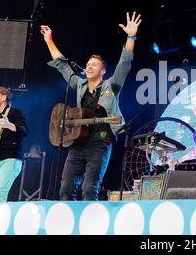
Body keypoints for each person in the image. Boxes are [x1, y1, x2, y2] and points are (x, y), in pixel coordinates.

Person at [40, 11, 142, 200]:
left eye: (94, 64)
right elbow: (62, 66)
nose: (89, 66)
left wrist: (131, 36)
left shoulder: (110, 86)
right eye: (88, 63)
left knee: (88, 188)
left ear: (102, 71)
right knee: (66, 189)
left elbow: (124, 64)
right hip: (78, 142)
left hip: (101, 143)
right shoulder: (79, 85)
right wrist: (49, 40)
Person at [0, 87, 28, 202]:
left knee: (0, 193)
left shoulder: (15, 112)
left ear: (4, 97)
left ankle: (1, 219)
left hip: (11, 158)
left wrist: (9, 125)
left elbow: (24, 131)